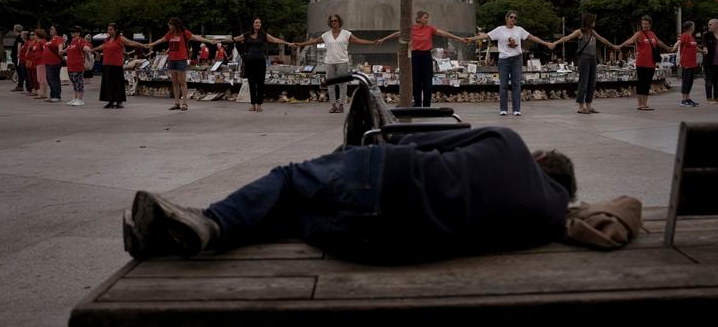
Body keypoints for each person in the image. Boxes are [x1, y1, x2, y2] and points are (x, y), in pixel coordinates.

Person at [123, 127, 576, 263]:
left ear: (538, 159)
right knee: (296, 218)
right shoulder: (551, 217)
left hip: (385, 176)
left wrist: (355, 154)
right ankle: (175, 236)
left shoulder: (511, 145)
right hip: (378, 244)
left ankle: (210, 222)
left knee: (288, 181)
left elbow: (422, 143)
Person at [466, 11, 555, 116]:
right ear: (506, 18)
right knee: (503, 85)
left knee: (516, 84)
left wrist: (546, 43)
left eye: (515, 18)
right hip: (504, 60)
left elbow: (531, 37)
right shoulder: (500, 30)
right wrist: (471, 39)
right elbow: (486, 36)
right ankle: (503, 109)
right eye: (511, 17)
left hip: (516, 60)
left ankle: (516, 109)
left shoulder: (519, 30)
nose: (513, 19)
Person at [378, 11, 468, 108]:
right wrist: (383, 39)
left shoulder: (429, 29)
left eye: (427, 17)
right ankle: (417, 104)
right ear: (419, 19)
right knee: (416, 81)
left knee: (427, 81)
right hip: (415, 56)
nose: (427, 19)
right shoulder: (411, 29)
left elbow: (444, 33)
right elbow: (397, 34)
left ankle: (427, 105)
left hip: (426, 56)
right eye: (425, 17)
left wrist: (459, 38)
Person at [294, 14, 377, 113]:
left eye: (335, 20)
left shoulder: (346, 33)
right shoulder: (326, 35)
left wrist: (371, 42)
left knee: (342, 84)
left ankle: (341, 105)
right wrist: (300, 44)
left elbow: (358, 40)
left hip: (342, 61)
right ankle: (333, 105)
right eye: (332, 21)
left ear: (339, 22)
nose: (333, 22)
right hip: (329, 62)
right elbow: (314, 41)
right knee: (330, 84)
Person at [145, 18, 217, 111]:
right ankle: (176, 103)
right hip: (172, 59)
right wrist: (151, 44)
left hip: (181, 60)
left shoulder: (184, 32)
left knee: (182, 82)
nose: (169, 26)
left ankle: (185, 104)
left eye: (170, 24)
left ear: (174, 25)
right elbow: (161, 39)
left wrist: (210, 41)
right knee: (174, 82)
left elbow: (196, 37)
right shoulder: (170, 33)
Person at [225, 17, 293, 112]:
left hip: (260, 61)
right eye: (256, 22)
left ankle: (259, 104)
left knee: (260, 84)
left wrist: (287, 43)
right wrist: (220, 40)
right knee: (251, 84)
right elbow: (235, 39)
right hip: (250, 62)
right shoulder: (247, 34)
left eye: (259, 23)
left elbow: (275, 39)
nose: (258, 24)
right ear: (253, 24)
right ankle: (253, 105)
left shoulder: (263, 35)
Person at [552, 13, 615, 114]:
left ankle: (589, 105)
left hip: (593, 59)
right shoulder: (579, 31)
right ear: (588, 21)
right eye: (593, 20)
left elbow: (602, 39)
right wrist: (555, 43)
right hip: (584, 58)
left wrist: (612, 45)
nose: (595, 22)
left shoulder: (592, 32)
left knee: (592, 83)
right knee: (583, 83)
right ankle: (581, 106)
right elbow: (567, 38)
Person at [617, 15, 672, 111]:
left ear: (650, 24)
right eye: (643, 24)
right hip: (641, 63)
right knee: (641, 83)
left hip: (651, 63)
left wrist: (667, 48)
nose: (644, 25)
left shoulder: (652, 34)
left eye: (646, 23)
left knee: (647, 83)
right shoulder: (639, 34)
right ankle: (640, 104)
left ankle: (645, 104)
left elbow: (658, 42)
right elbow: (631, 40)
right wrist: (620, 45)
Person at [92, 23, 143, 109]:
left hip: (116, 65)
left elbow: (130, 42)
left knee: (117, 84)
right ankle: (110, 101)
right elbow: (102, 46)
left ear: (116, 30)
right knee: (108, 84)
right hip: (107, 64)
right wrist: (93, 49)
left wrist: (141, 45)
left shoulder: (120, 38)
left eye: (110, 29)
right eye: (108, 29)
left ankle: (119, 102)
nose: (108, 31)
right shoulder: (107, 39)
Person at [673, 21, 700, 107]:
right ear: (690, 27)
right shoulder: (684, 35)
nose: (694, 27)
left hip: (692, 62)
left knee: (690, 81)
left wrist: (702, 51)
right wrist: (673, 48)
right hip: (686, 62)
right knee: (686, 81)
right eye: (693, 25)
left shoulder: (691, 37)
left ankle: (688, 98)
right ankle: (683, 100)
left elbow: (695, 47)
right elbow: (678, 42)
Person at [65, 26, 92, 106]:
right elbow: (69, 49)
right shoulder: (72, 41)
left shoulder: (80, 40)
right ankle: (75, 98)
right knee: (74, 83)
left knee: (79, 83)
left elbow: (85, 47)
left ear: (79, 33)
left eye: (74, 31)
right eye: (71, 31)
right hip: (71, 66)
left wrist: (88, 49)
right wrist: (63, 51)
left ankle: (80, 99)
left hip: (78, 66)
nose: (72, 33)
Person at [42, 24, 66, 102]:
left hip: (54, 62)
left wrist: (60, 50)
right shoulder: (52, 39)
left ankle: (56, 96)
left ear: (56, 31)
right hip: (48, 62)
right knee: (49, 79)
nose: (50, 30)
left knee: (54, 79)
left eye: (52, 29)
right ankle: (52, 95)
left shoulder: (58, 38)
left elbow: (60, 45)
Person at [30, 29, 49, 100]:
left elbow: (46, 50)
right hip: (38, 62)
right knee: (40, 78)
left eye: (34, 34)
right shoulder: (39, 42)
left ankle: (43, 94)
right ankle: (42, 93)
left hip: (42, 62)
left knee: (42, 78)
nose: (33, 36)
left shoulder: (42, 42)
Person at [11, 24, 27, 92]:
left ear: (15, 30)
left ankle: (20, 85)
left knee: (19, 71)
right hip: (18, 57)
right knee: (20, 71)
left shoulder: (19, 37)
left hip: (18, 57)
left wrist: (18, 55)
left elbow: (19, 46)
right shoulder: (21, 36)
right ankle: (20, 85)